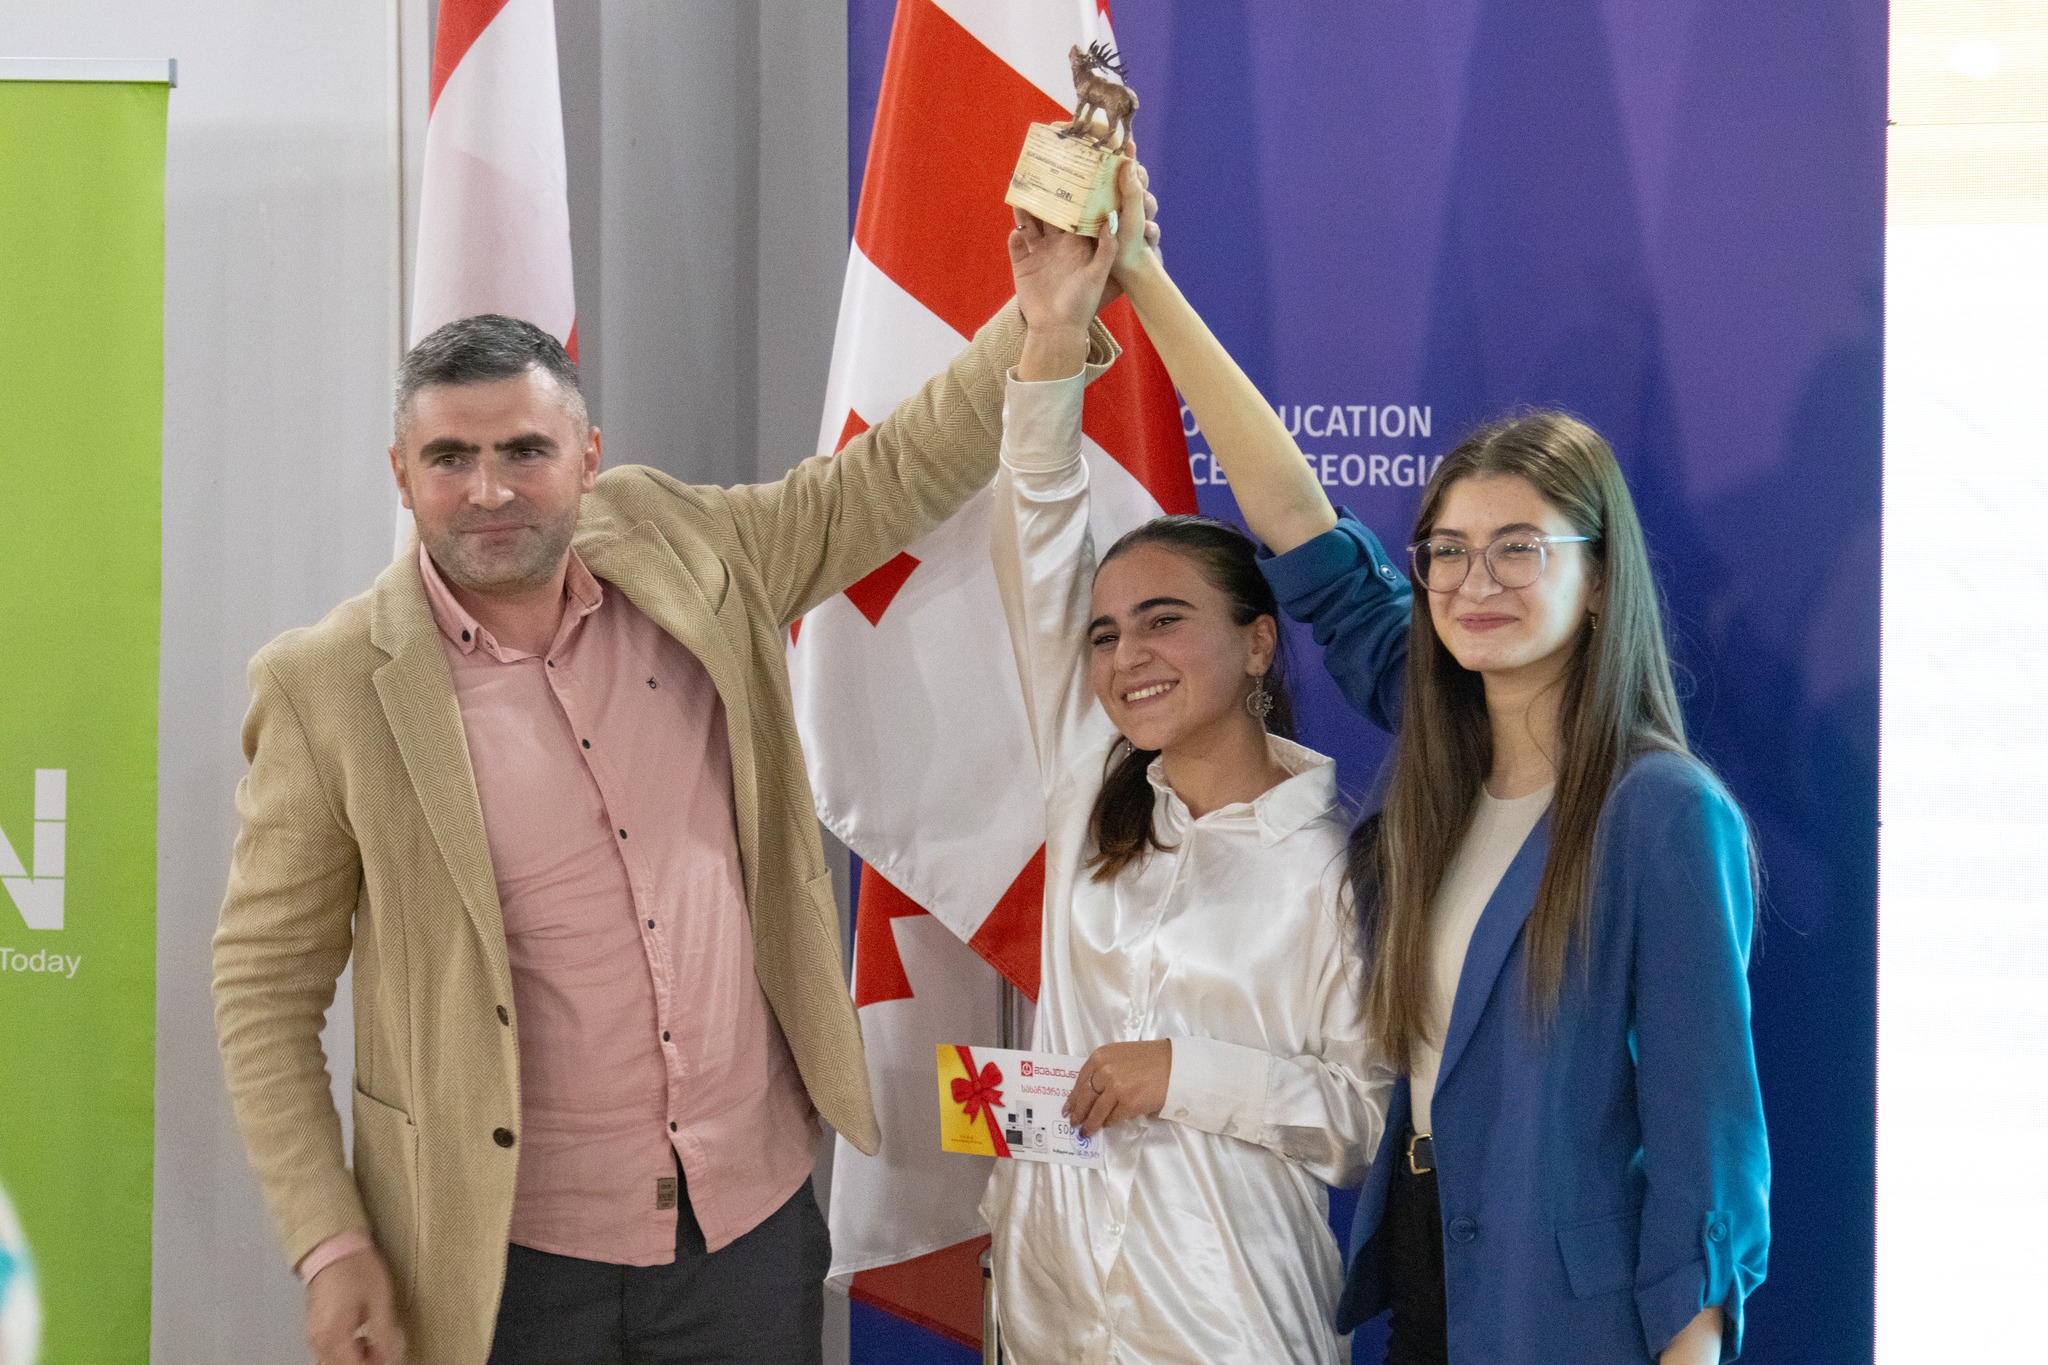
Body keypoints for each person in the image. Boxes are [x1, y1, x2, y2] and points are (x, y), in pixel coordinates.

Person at [210, 212, 1135, 1365]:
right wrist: (329, 1242)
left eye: (525, 451)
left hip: (746, 1228)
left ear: (586, 457)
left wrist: (1039, 321)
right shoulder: (327, 687)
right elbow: (263, 991)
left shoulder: (679, 545)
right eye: (450, 459)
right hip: (500, 1259)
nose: (489, 490)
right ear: (402, 474)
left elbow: (878, 483)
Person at [1100, 162, 1769, 1362]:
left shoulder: (1661, 812)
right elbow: (1297, 524)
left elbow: (1704, 1149)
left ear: (1597, 578)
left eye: (1518, 548)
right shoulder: (1435, 736)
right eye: (1446, 551)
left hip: (1567, 1316)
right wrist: (1141, 277)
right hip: (1424, 1269)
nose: (1473, 581)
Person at [978, 189, 1394, 1365]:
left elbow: (1366, 1123)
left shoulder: (1337, 861)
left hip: (1235, 1332)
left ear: (1258, 643)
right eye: (1105, 634)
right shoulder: (1090, 790)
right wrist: (1051, 328)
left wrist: (1184, 1075)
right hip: (1047, 1325)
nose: (1126, 657)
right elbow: (1038, 518)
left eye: (1163, 621)